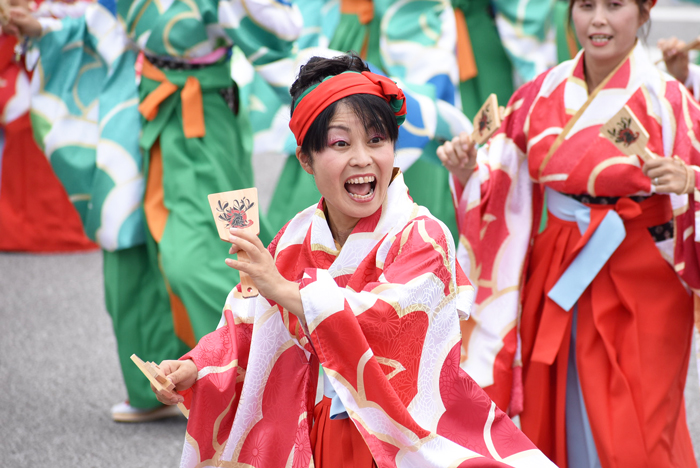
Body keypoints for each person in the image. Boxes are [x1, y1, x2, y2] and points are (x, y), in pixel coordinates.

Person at [151, 54, 556, 468]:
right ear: (305, 160)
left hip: (392, 437)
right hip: (312, 426)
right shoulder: (295, 237)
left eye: (377, 140)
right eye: (341, 144)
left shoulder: (422, 235)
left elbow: (388, 318)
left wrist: (285, 290)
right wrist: (194, 366)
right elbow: (244, 324)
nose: (363, 158)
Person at [7, 0, 302, 421]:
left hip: (206, 122)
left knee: (212, 250)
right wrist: (40, 26)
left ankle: (252, 380)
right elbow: (99, 21)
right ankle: (161, 376)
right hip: (138, 108)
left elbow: (278, 32)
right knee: (128, 237)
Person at [437, 0, 700, 466]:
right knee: (558, 401)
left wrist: (689, 181)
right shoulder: (540, 93)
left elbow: (692, 179)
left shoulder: (670, 97)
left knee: (640, 421)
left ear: (642, 14)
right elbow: (497, 175)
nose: (597, 19)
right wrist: (467, 172)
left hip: (643, 273)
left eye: (614, 5)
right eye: (585, 5)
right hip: (557, 268)